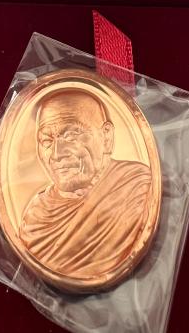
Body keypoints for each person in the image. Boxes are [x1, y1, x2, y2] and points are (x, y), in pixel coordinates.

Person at [19, 90, 152, 279]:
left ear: (106, 137)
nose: (57, 154)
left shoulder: (136, 186)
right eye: (47, 140)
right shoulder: (35, 217)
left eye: (72, 135)